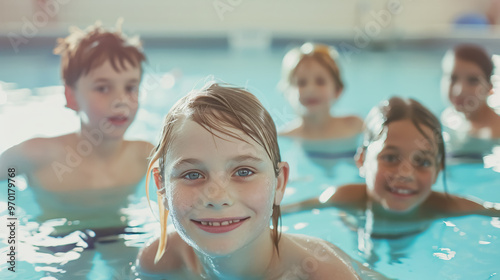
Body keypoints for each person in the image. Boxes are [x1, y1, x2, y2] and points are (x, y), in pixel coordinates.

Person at [136, 83, 374, 279]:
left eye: (243, 172)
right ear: (162, 187)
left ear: (279, 183)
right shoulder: (160, 262)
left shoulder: (322, 274)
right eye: (192, 175)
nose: (217, 198)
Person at [0, 22, 154, 234]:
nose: (121, 101)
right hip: (59, 236)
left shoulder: (145, 155)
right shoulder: (37, 156)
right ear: (71, 97)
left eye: (130, 87)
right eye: (103, 88)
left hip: (118, 230)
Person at [283, 97, 500, 237]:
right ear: (361, 161)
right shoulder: (343, 198)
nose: (405, 174)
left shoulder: (443, 207)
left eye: (422, 162)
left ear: (438, 170)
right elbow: (281, 212)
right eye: (390, 158)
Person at [441, 44, 500, 159]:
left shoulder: (495, 134)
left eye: (473, 80)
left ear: (489, 88)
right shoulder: (449, 117)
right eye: (453, 78)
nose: (459, 91)